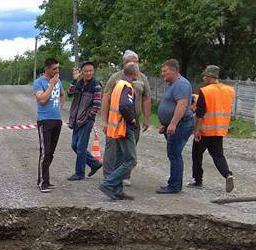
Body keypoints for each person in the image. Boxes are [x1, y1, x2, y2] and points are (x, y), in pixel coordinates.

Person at [97, 50, 152, 183]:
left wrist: (146, 119)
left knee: (129, 150)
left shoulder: (142, 78)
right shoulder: (116, 78)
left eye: (135, 61)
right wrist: (104, 120)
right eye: (130, 61)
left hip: (133, 122)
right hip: (116, 121)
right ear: (124, 64)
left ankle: (123, 176)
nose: (133, 63)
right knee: (112, 148)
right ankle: (109, 177)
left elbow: (146, 98)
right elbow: (106, 97)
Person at [189, 65, 237, 193]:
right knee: (218, 155)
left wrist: (196, 130)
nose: (203, 77)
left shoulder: (205, 91)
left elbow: (200, 113)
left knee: (197, 155)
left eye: (205, 75)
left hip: (205, 129)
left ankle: (197, 180)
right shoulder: (229, 90)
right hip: (220, 129)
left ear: (210, 77)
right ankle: (228, 174)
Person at [99, 62, 138, 201]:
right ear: (135, 74)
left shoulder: (118, 85)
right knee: (131, 160)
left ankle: (117, 190)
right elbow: (125, 106)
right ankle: (108, 184)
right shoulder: (127, 87)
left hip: (116, 126)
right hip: (124, 127)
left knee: (120, 159)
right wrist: (132, 120)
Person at [156, 59, 194, 194]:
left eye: (164, 71)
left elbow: (182, 105)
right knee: (173, 153)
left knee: (174, 154)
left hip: (181, 124)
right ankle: (174, 183)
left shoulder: (181, 84)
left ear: (174, 70)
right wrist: (166, 125)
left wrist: (173, 123)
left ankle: (175, 186)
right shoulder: (174, 84)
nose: (162, 74)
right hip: (175, 124)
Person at [67, 61, 103, 181]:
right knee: (74, 145)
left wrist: (89, 116)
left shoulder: (96, 85)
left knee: (81, 147)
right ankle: (94, 163)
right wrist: (74, 81)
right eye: (86, 71)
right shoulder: (79, 83)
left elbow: (97, 104)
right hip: (76, 119)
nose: (88, 73)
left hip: (86, 121)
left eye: (91, 71)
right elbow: (69, 94)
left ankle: (79, 173)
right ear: (82, 71)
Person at [33, 58, 65, 193]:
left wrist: (59, 106)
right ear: (47, 69)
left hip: (57, 120)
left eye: (58, 68)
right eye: (54, 69)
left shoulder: (59, 82)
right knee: (45, 153)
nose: (57, 71)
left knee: (51, 152)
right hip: (44, 120)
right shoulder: (39, 82)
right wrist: (51, 84)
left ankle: (46, 179)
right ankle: (42, 182)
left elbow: (63, 95)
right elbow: (41, 99)